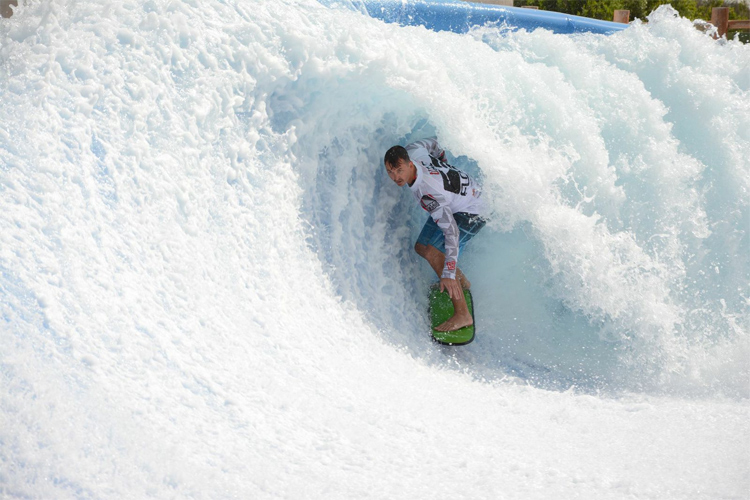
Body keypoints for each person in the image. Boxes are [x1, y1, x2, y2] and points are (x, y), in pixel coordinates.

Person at [384, 138, 486, 332]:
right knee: (422, 247)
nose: (396, 177)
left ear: (409, 164)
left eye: (400, 171)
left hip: (473, 211)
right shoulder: (413, 150)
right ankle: (461, 283)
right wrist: (442, 159)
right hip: (456, 199)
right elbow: (433, 142)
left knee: (433, 253)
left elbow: (452, 232)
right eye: (391, 172)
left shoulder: (427, 192)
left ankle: (463, 314)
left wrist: (447, 273)